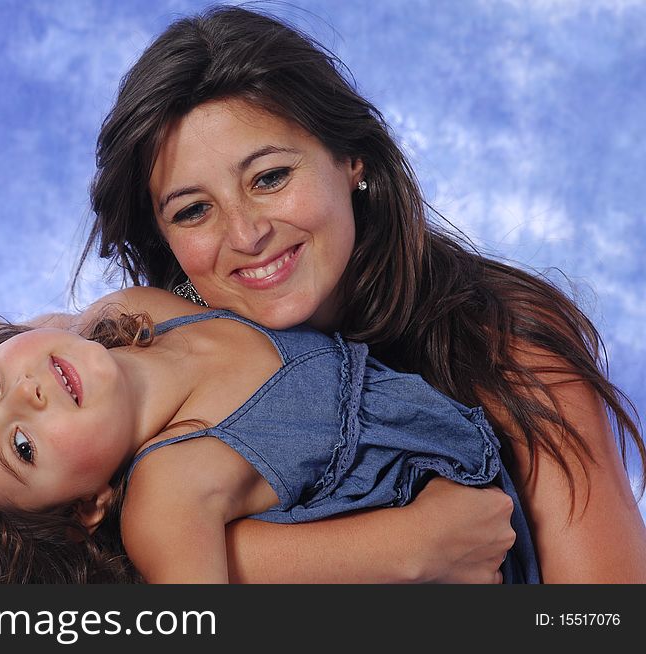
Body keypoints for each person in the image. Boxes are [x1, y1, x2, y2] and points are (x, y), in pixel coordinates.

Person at [64, 6, 645, 582]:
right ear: (165, 241)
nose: (245, 235)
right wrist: (404, 549)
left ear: (350, 159)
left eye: (270, 177)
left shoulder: (507, 345)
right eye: (194, 211)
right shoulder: (122, 374)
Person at [0, 286, 531, 583]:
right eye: (22, 448)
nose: (27, 397)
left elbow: (44, 330)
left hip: (501, 469)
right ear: (86, 509)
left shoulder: (132, 312)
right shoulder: (171, 494)